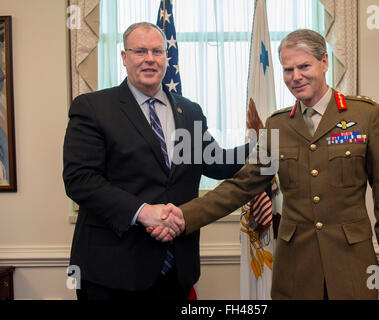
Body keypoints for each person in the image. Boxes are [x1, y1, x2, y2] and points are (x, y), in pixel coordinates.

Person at [152, 29, 379, 300]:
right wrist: (184, 216)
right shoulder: (278, 125)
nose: (295, 77)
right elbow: (242, 185)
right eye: (288, 70)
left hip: (352, 267)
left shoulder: (364, 115)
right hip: (296, 271)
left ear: (324, 63)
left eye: (304, 66)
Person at [63, 22, 252, 300]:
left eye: (157, 51)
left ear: (166, 57)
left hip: (175, 269)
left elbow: (217, 161)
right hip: (111, 273)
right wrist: (143, 211)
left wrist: (267, 145)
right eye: (140, 51)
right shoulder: (93, 107)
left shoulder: (188, 110)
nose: (149, 59)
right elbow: (80, 180)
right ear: (124, 58)